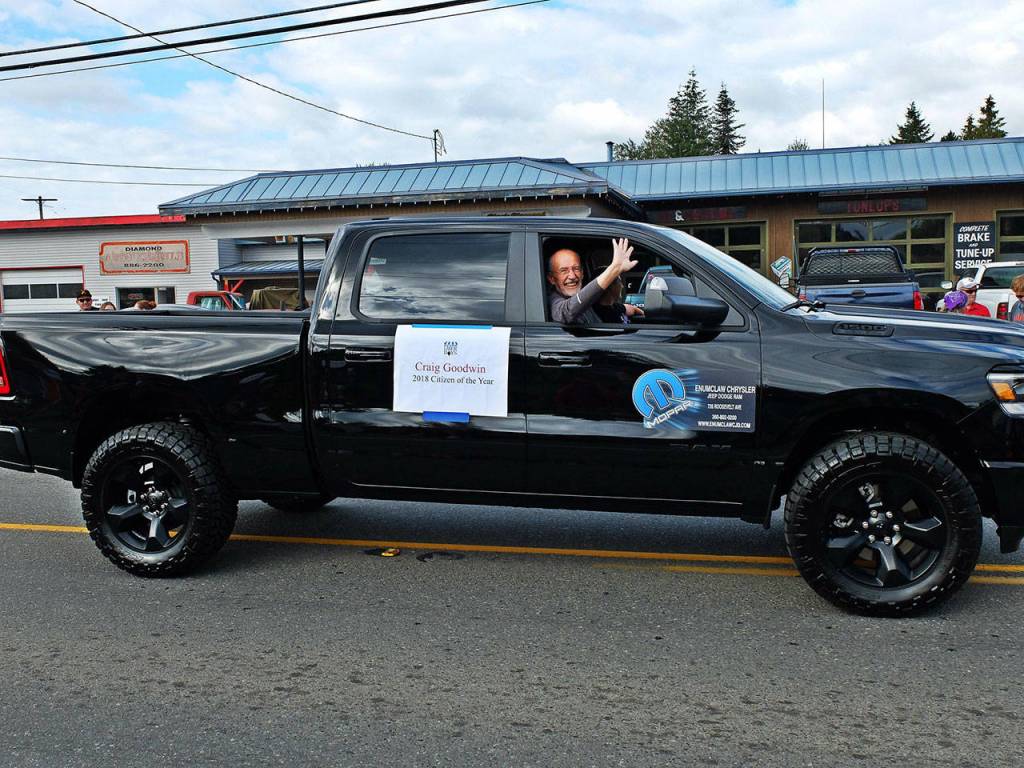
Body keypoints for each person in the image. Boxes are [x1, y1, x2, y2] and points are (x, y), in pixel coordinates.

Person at [548, 238, 638, 325]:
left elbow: (606, 305)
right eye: (564, 271)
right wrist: (615, 269)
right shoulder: (553, 301)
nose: (572, 276)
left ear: (582, 273)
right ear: (552, 279)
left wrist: (628, 309)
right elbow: (566, 312)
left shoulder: (588, 298)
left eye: (576, 269)